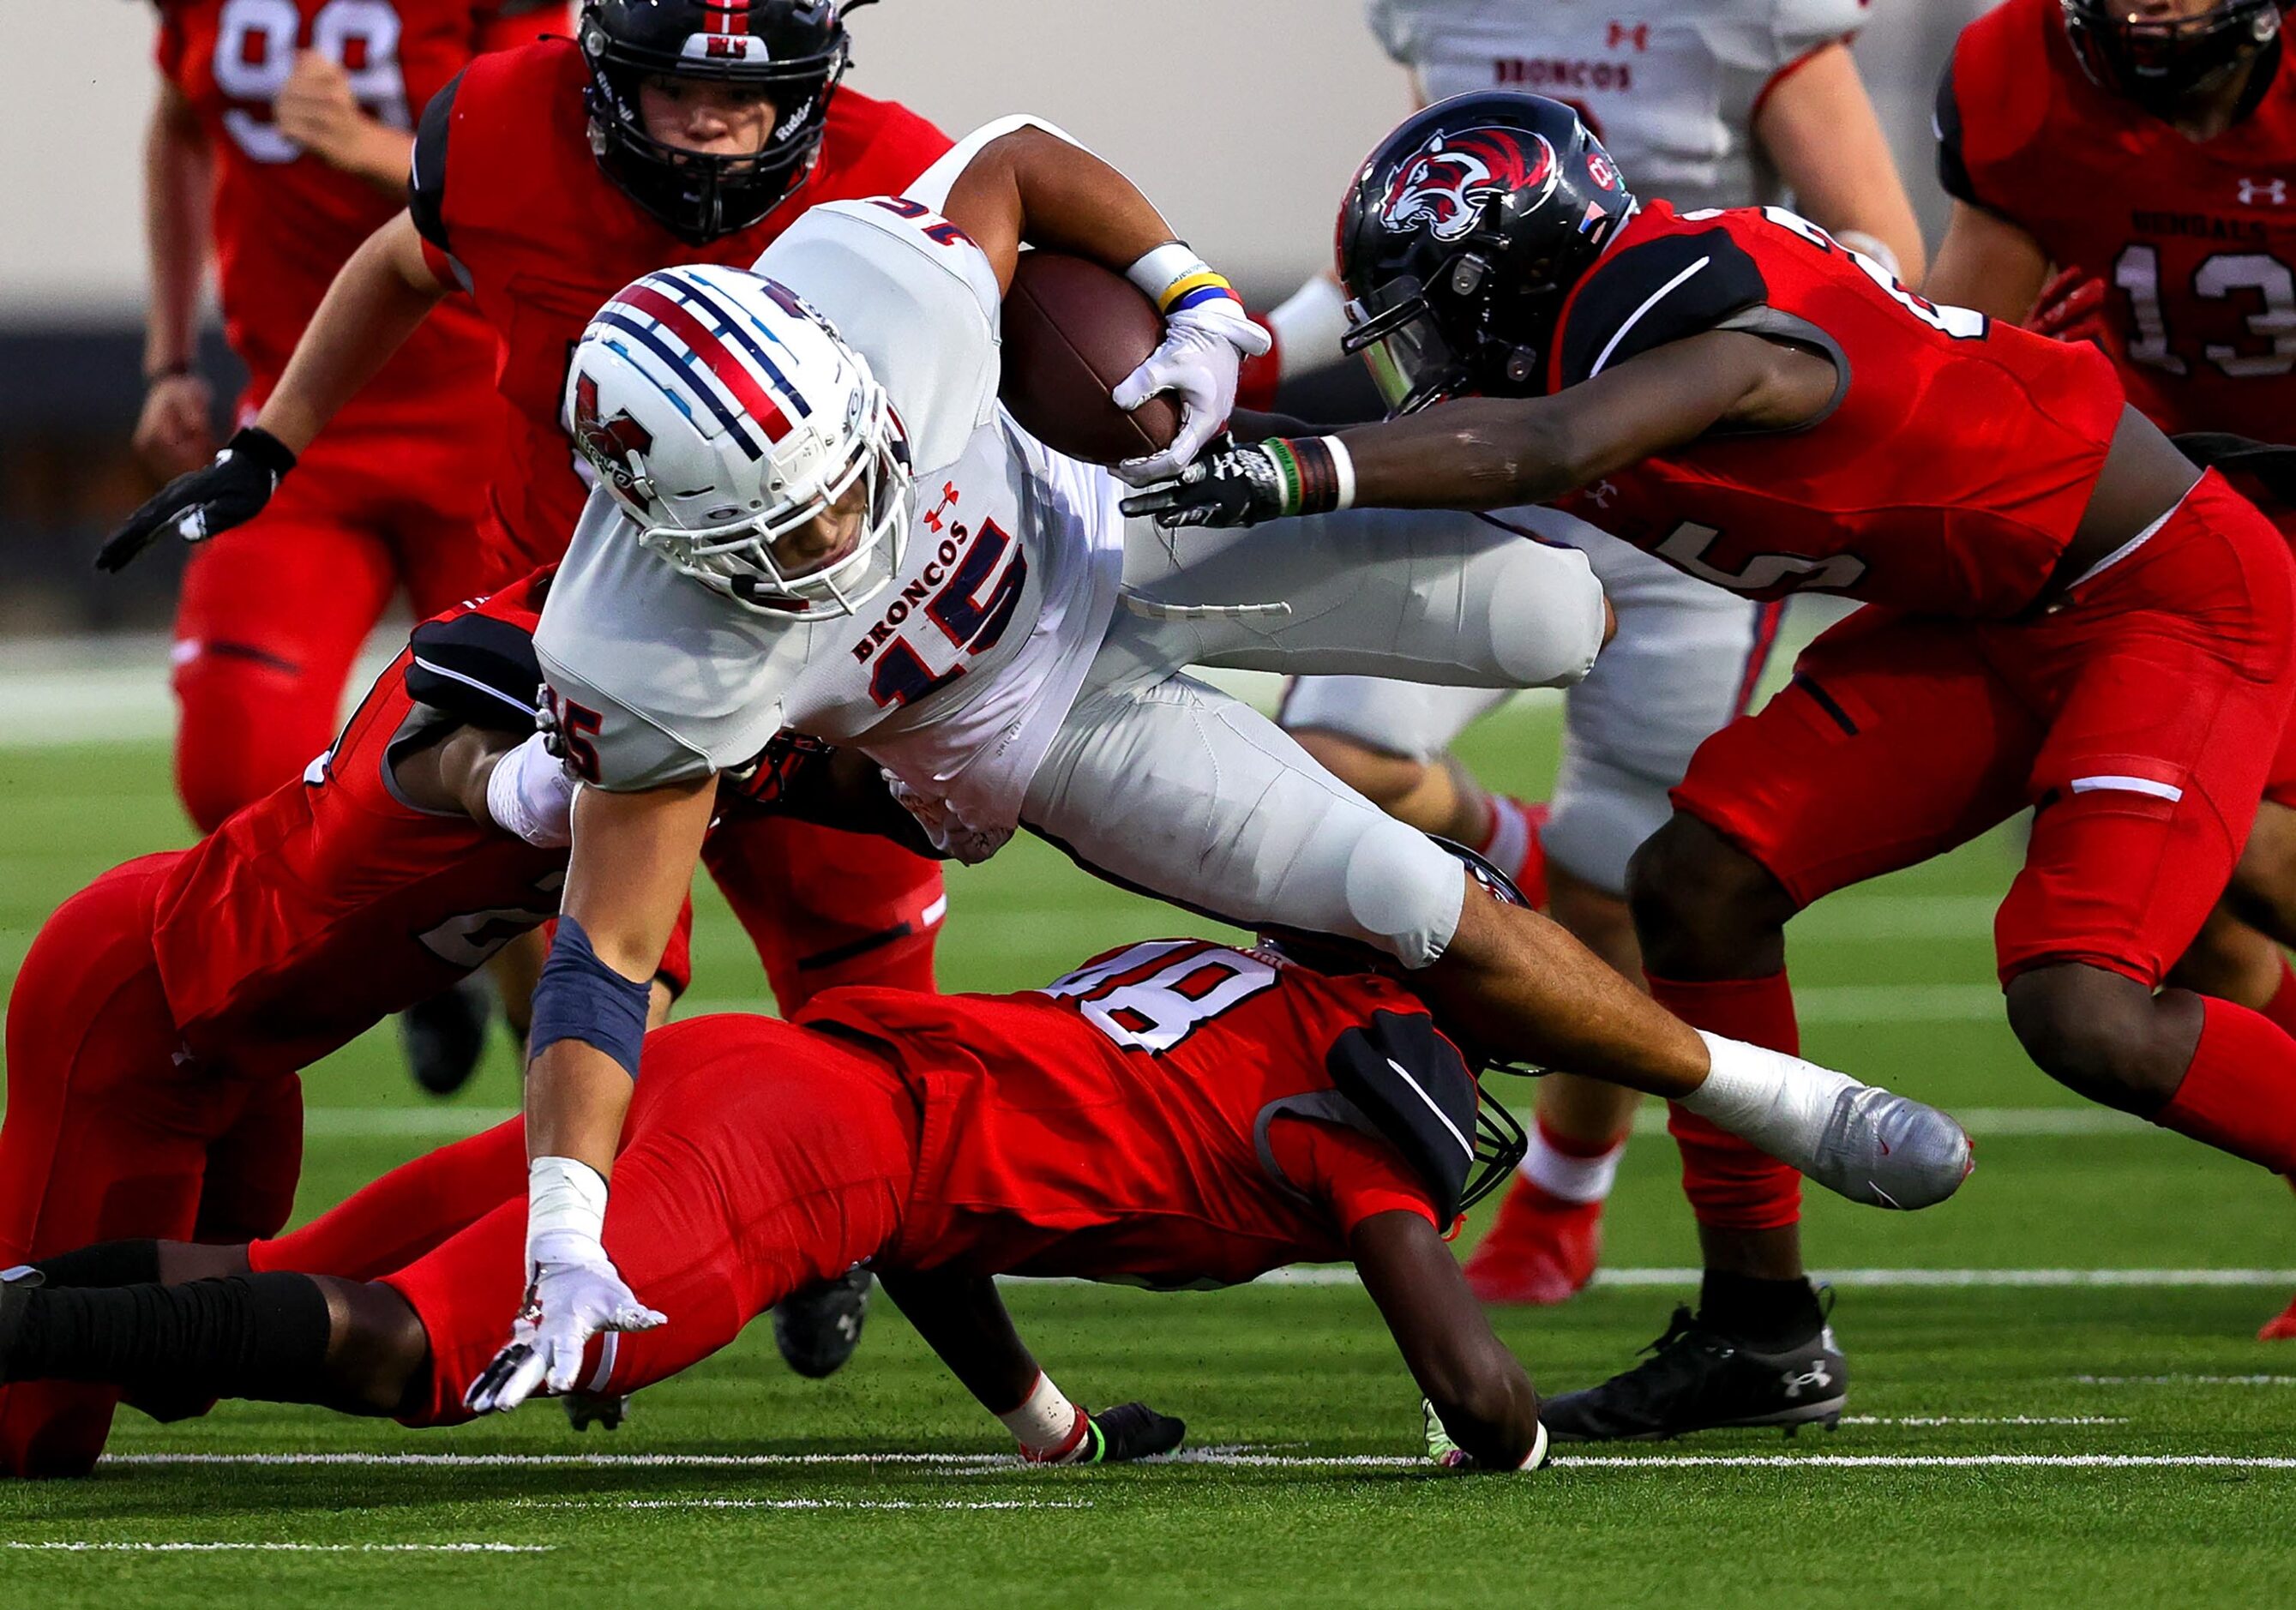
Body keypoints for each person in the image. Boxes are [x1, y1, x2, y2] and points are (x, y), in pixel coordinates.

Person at [397, 107, 1968, 1396]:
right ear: (668, 531)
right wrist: (563, 1222)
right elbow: (605, 951)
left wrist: (1195, 300)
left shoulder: (886, 302)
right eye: (781, 529)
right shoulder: (639, 652)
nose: (841, 530)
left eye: (842, 473)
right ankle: (1774, 1095)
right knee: (1411, 897)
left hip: (1110, 521)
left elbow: (1014, 156)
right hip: (1040, 729)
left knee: (1551, 611)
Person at [1125, 89, 2296, 1439]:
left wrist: (1298, 467)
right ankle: (1760, 1332)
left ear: (1519, 274)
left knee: (2082, 1004)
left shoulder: (1691, 305)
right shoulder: (1578, 342)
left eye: (1438, 320)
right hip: (1987, 613)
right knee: (1697, 882)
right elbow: (1498, 446)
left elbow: (1553, 443)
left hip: (2153, 590)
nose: (1426, 363)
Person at [2, 856, 1669, 1475]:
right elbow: (1473, 1383)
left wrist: (1054, 1426)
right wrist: (1514, 1451)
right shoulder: (1362, 1091)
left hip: (756, 1067)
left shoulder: (1249, 988)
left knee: (290, 1293)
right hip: (804, 1148)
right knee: (429, 1356)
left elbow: (945, 1215)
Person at [107, 0, 953, 1106]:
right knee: (583, 916)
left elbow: (1028, 236)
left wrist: (1179, 309)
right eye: (675, 94)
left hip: (806, 601)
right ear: (607, 86)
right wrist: (252, 428)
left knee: (865, 958)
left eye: (739, 98)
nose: (704, 127)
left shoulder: (898, 175)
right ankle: (561, 1183)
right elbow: (405, 249)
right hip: (559, 563)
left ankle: (828, 1236)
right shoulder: (514, 128)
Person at [1258, 0, 1930, 1308]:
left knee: (1625, 885)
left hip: (1685, 486)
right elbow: (1416, 220)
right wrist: (1212, 351)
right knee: (1327, 762)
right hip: (1489, 448)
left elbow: (1879, 250)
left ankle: (1562, 1196)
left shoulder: (1742, 16)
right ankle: (1525, 857)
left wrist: (1707, 338)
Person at [0, 569, 699, 1479]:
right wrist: (605, 769)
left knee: (183, 1368)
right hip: (137, 1008)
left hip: (251, 1053)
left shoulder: (640, 793)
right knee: (33, 1438)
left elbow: (608, 1023)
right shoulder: (471, 750)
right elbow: (485, 774)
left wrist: (580, 1261)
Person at [1921, 0, 2296, 1343]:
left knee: (2241, 855)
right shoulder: (2021, 71)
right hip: (2164, 522)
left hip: (2259, 517)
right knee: (2189, 911)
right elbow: (1953, 331)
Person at [140, 0, 567, 1093]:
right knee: (234, 759)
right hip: (298, 428)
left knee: (533, 791)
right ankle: (413, 956)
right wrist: (169, 352)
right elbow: (182, 123)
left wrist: (372, 148)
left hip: (488, 426)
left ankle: (551, 1118)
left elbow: (547, 170)